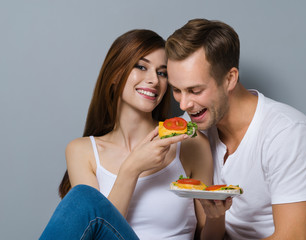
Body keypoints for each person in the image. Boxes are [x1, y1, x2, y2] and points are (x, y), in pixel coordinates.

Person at [40, 29, 222, 240]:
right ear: (116, 74)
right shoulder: (82, 151)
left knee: (82, 197)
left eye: (162, 73)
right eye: (142, 67)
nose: (154, 79)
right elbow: (96, 233)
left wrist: (217, 217)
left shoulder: (190, 144)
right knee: (82, 198)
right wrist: (132, 168)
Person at [165, 18, 306, 239]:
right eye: (176, 90)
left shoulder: (289, 135)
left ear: (230, 79)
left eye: (195, 90)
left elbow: (294, 236)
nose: (183, 104)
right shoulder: (195, 122)